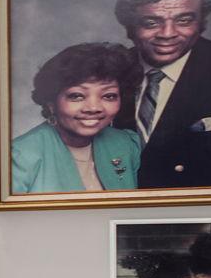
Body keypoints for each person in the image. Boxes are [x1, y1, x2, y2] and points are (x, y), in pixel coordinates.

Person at [112, 0, 211, 188]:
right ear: (130, 28)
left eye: (184, 20)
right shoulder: (108, 69)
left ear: (201, 24)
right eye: (151, 23)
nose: (167, 34)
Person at [9, 42, 142, 193]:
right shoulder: (18, 157)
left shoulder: (126, 144)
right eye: (77, 96)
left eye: (108, 96)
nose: (94, 108)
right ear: (51, 103)